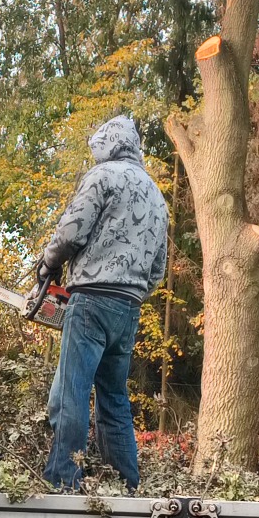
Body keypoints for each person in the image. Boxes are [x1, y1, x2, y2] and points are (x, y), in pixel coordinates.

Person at [33, 114, 170, 491]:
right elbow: (157, 268)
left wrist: (48, 265)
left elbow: (71, 233)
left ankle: (63, 482)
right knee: (114, 401)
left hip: (92, 300)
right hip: (128, 309)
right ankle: (127, 486)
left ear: (108, 145)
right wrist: (131, 292)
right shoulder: (157, 196)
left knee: (70, 394)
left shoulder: (103, 176)